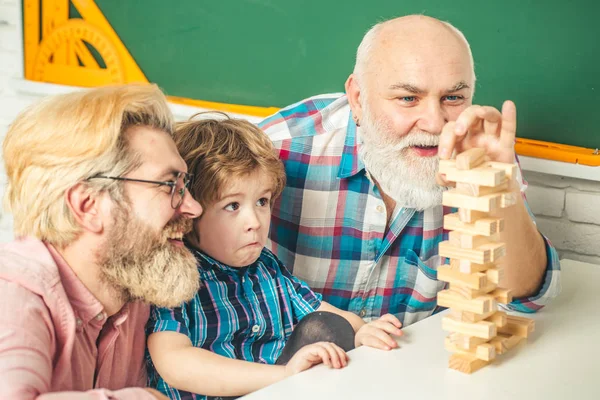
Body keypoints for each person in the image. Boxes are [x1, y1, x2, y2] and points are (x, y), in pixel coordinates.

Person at [258, 15, 561, 326]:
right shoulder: (276, 150)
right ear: (358, 99)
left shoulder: (479, 153)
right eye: (408, 98)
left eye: (453, 97)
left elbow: (526, 297)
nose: (434, 122)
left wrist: (502, 189)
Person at [145, 115, 403, 400]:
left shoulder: (266, 268)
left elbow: (326, 312)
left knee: (329, 327)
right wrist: (283, 376)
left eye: (262, 202)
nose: (254, 221)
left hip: (277, 389)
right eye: (232, 205)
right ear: (191, 210)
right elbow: (174, 363)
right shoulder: (176, 273)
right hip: (236, 390)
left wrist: (363, 333)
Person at [0, 84, 204, 399]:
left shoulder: (137, 285)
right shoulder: (12, 292)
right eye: (168, 184)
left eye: (184, 184)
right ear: (88, 206)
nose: (194, 207)